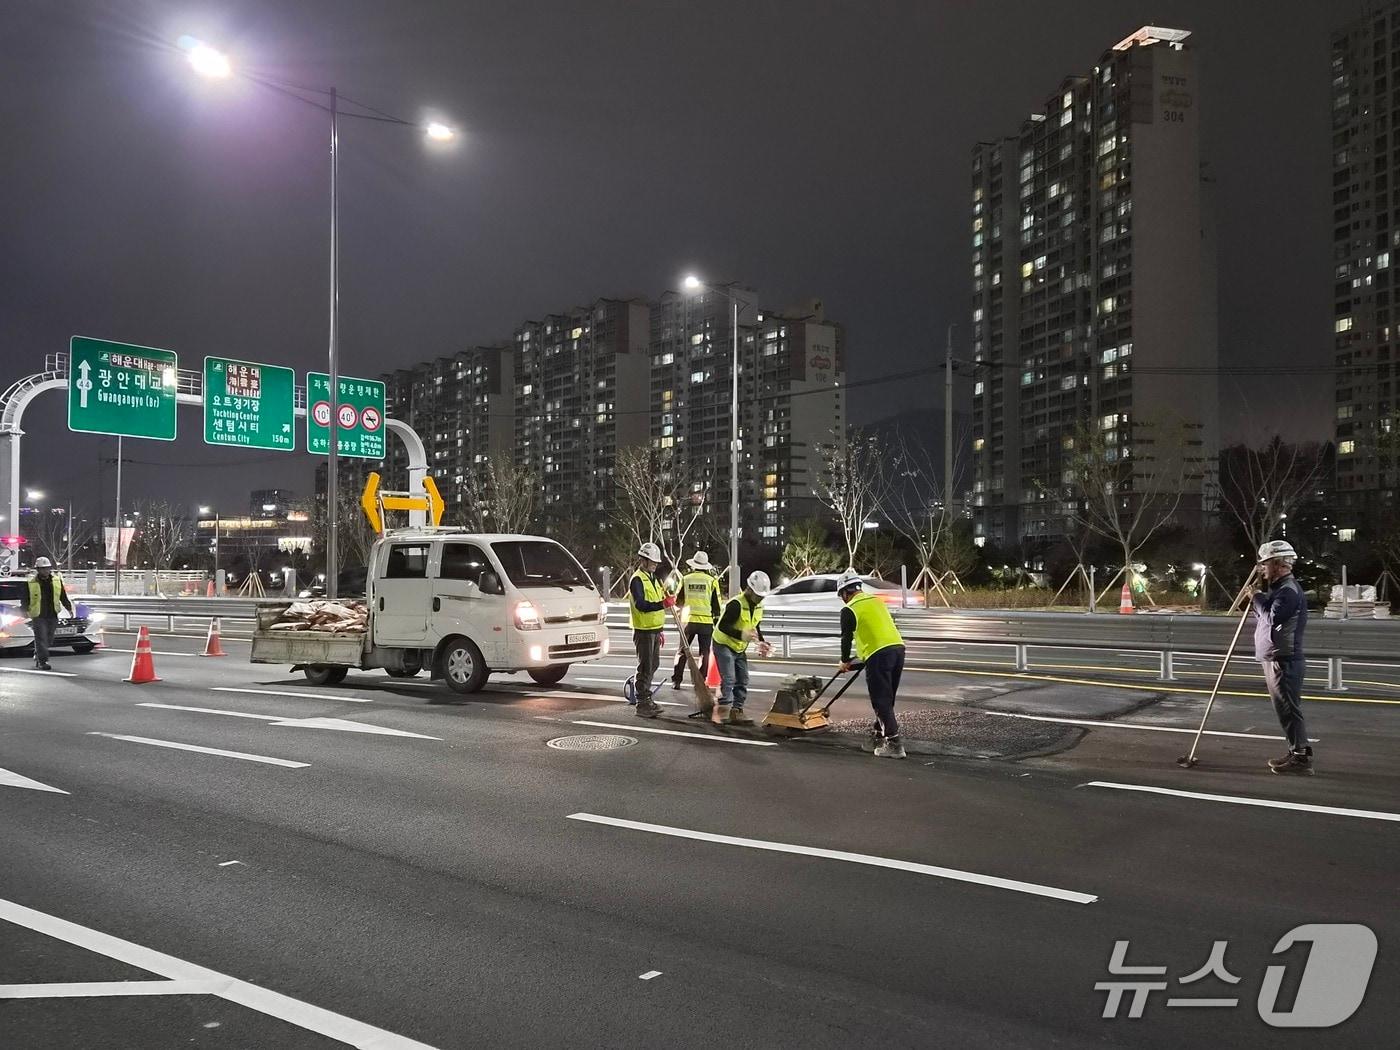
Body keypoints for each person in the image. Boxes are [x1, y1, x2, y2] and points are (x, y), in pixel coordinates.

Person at [1251, 540, 1312, 775]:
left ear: (1278, 564)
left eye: (1266, 564)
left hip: (1284, 659)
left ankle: (1301, 758)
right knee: (1284, 709)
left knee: (1289, 708)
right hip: (1276, 656)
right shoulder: (1280, 588)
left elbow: (1272, 617)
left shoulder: (1288, 590)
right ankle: (1295, 749)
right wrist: (1259, 597)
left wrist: (1256, 596)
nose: (1263, 569)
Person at [836, 568, 907, 759]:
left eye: (842, 595)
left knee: (880, 699)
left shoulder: (849, 609)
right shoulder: (877, 601)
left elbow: (846, 638)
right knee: (887, 697)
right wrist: (858, 661)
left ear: (845, 592)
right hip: (898, 649)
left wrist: (844, 661)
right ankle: (877, 735)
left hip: (879, 654)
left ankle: (894, 744)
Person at [710, 571, 773, 725]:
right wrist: (742, 635)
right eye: (758, 595)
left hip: (739, 647)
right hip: (723, 643)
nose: (760, 598)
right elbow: (723, 626)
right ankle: (721, 711)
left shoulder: (758, 606)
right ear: (749, 589)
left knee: (743, 678)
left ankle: (737, 711)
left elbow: (755, 625)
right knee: (729, 678)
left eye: (762, 595)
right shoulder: (735, 604)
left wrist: (762, 642)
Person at [629, 542, 674, 718]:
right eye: (652, 561)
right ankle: (642, 703)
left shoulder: (654, 579)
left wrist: (660, 629)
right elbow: (641, 604)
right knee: (646, 666)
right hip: (643, 630)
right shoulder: (637, 579)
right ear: (643, 560)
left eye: (656, 562)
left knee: (653, 664)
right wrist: (662, 604)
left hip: (654, 629)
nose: (655, 564)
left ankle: (646, 698)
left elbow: (659, 600)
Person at [671, 550, 721, 690]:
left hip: (688, 621)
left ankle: (677, 680)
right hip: (706, 623)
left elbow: (678, 601)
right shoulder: (712, 581)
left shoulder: (686, 579)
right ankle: (700, 682)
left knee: (682, 651)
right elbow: (716, 605)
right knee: (704, 653)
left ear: (694, 565)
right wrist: (716, 621)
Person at [24, 557, 74, 671]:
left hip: (52, 614)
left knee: (49, 639)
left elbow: (62, 596)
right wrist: (25, 609)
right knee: (41, 638)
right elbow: (25, 598)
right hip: (38, 615)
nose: (46, 571)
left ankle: (38, 654)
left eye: (47, 568)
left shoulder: (56, 580)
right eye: (43, 569)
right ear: (38, 569)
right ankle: (43, 661)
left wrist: (68, 607)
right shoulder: (31, 582)